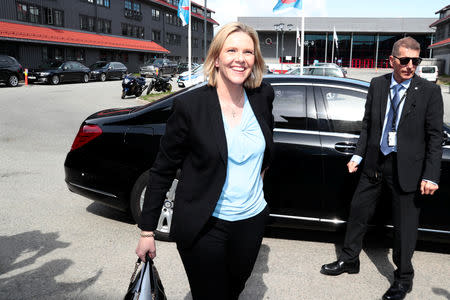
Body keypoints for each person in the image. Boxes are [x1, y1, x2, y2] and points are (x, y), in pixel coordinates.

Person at [135, 22, 274, 300]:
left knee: (234, 290)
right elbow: (162, 170)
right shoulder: (191, 107)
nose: (240, 58)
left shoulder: (262, 96)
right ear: (216, 58)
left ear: (255, 59)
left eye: (248, 52)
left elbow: (264, 151)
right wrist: (147, 230)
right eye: (231, 50)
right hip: (204, 225)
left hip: (251, 221)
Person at [320, 37, 443, 300]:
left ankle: (403, 279)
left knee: (405, 228)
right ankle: (350, 260)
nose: (410, 66)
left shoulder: (429, 92)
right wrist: (358, 155)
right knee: (357, 213)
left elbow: (435, 137)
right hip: (376, 164)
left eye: (415, 61)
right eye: (404, 60)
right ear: (392, 60)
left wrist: (431, 175)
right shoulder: (378, 85)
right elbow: (368, 125)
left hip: (408, 168)